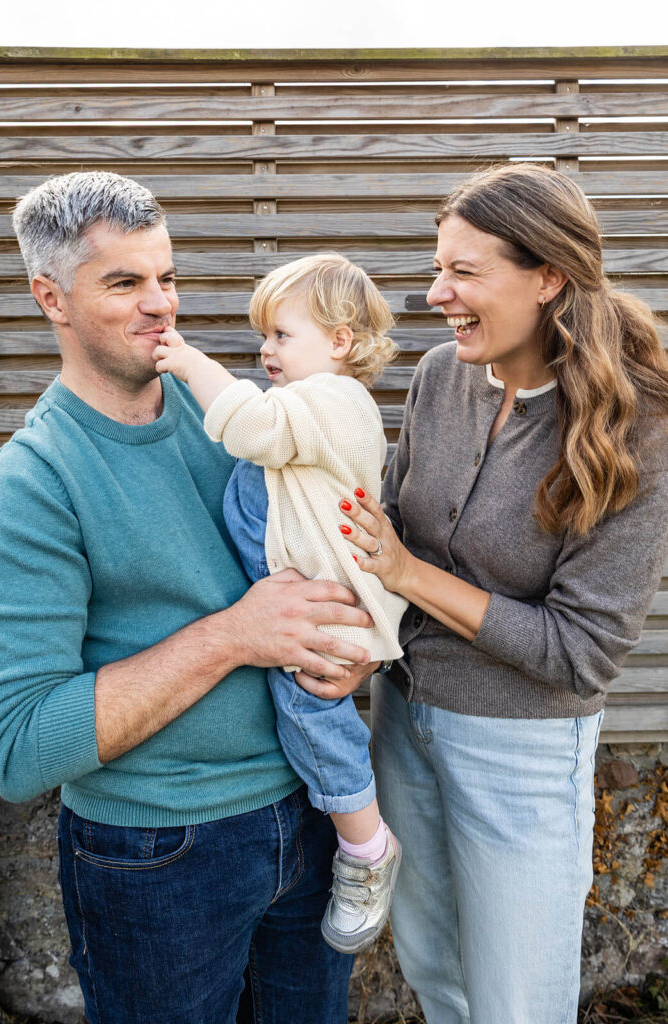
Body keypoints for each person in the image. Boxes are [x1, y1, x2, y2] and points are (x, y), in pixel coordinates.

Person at [0, 171, 379, 1024]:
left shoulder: (245, 417)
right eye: (124, 282)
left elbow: (329, 560)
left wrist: (339, 654)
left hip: (309, 817)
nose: (159, 304)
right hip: (156, 854)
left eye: (166, 277)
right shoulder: (32, 481)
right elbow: (17, 752)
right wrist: (234, 637)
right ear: (49, 297)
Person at [333, 164, 668, 1024]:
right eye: (437, 266)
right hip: (401, 719)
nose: (435, 292)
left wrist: (409, 575)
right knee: (435, 972)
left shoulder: (638, 421)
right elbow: (388, 532)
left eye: (463, 272)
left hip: (520, 748)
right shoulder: (441, 375)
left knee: (516, 1003)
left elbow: (577, 652)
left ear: (547, 276)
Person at [150, 253, 407, 954]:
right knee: (307, 715)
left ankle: (365, 848)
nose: (265, 350)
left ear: (340, 343)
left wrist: (187, 362)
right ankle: (354, 837)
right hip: (305, 607)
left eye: (281, 335)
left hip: (323, 614)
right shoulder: (311, 406)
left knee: (313, 715)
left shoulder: (331, 403)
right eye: (262, 336)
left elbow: (248, 427)